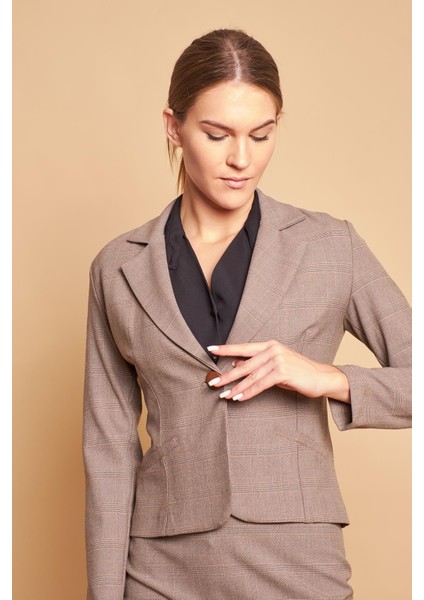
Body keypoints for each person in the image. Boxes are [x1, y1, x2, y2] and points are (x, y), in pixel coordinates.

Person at [82, 28, 411, 600]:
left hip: (296, 560)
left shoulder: (330, 246)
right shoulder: (118, 267)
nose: (242, 158)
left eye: (261, 134)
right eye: (217, 135)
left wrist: (326, 378)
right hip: (158, 566)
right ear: (173, 127)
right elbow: (107, 446)